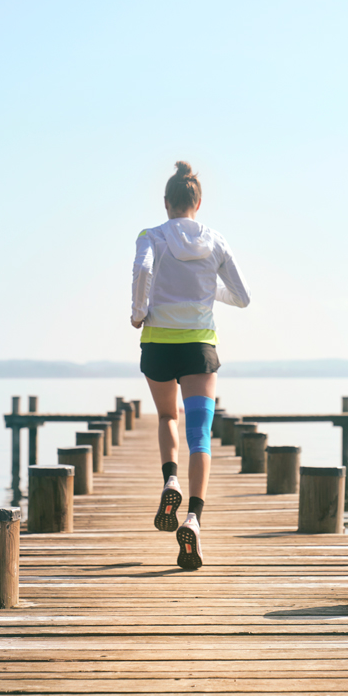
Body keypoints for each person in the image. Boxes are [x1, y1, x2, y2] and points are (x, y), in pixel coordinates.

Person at [131, 161, 250, 569]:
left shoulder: (151, 236)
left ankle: (170, 479)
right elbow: (242, 297)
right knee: (200, 435)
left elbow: (143, 269)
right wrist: (206, 290)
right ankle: (194, 519)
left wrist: (138, 312)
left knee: (168, 416)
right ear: (198, 202)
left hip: (158, 344)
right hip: (199, 346)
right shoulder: (216, 241)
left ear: (166, 202)